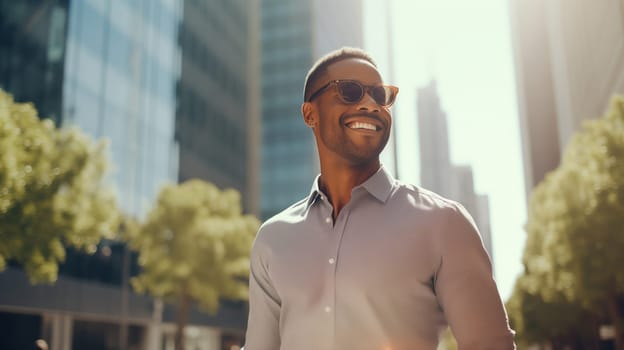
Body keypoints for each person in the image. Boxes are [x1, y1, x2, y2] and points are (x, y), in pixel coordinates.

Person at [244, 47, 516, 350]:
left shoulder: (443, 224)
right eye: (349, 91)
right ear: (310, 114)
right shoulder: (272, 239)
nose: (371, 105)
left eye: (380, 95)